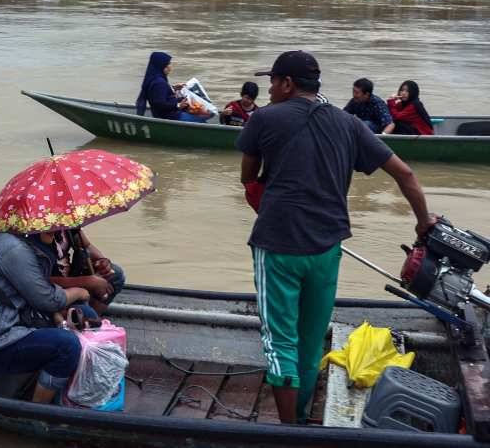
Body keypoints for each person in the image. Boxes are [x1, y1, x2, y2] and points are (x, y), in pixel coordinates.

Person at [238, 51, 436, 424]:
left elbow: (248, 177)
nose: (269, 88)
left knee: (280, 340)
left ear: (287, 84)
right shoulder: (348, 123)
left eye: (273, 81)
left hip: (277, 247)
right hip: (328, 247)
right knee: (311, 342)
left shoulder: (263, 118)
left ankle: (287, 429)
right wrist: (423, 222)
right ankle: (298, 415)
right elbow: (405, 175)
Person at [0, 230, 93, 404]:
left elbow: (34, 293)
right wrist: (80, 291)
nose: (56, 232)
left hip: (15, 321)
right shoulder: (13, 249)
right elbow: (49, 300)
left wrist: (58, 317)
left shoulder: (26, 243)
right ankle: (38, 411)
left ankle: (66, 390)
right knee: (67, 345)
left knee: (86, 315)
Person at [49, 227, 125, 315]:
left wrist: (103, 262)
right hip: (48, 287)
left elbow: (87, 246)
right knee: (84, 311)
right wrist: (87, 281)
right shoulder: (34, 235)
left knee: (115, 274)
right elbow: (37, 279)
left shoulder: (67, 222)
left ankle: (91, 318)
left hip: (68, 275)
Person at [134, 51, 212, 122]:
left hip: (165, 113)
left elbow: (159, 94)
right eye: (168, 64)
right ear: (162, 66)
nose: (170, 67)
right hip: (170, 116)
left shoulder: (154, 78)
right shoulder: (159, 82)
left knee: (205, 113)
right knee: (205, 117)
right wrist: (178, 105)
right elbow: (160, 103)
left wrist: (173, 88)